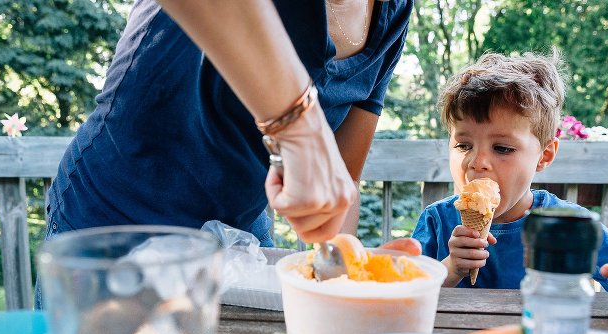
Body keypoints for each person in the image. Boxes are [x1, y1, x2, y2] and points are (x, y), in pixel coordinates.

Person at [44, 0, 414, 248]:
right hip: (117, 217)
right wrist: (298, 122)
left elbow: (343, 176)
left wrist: (343, 269)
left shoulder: (396, 11)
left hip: (238, 232)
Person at [411, 50, 608, 296]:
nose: (477, 162)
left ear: (544, 155)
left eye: (503, 148)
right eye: (463, 145)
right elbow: (405, 292)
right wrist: (451, 267)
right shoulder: (437, 221)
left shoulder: (569, 227)